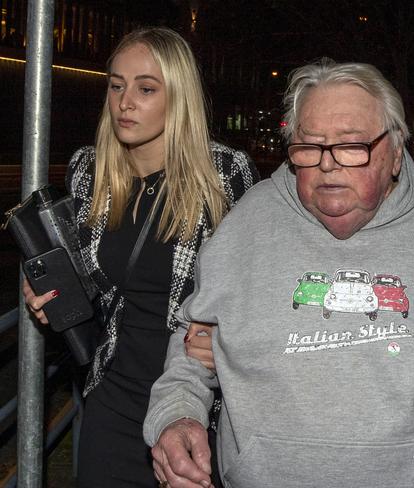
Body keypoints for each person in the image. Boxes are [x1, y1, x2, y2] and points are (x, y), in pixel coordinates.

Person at [143, 58, 414, 488]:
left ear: (394, 152)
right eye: (310, 147)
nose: (328, 165)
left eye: (351, 146)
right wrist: (177, 416)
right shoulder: (250, 222)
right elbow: (193, 345)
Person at [22, 27, 259, 487]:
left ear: (180, 96)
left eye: (146, 88)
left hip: (196, 407)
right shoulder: (89, 171)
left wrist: (232, 335)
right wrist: (51, 301)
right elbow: (89, 287)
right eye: (116, 85)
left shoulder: (226, 175)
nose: (125, 101)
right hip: (111, 400)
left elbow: (254, 286)